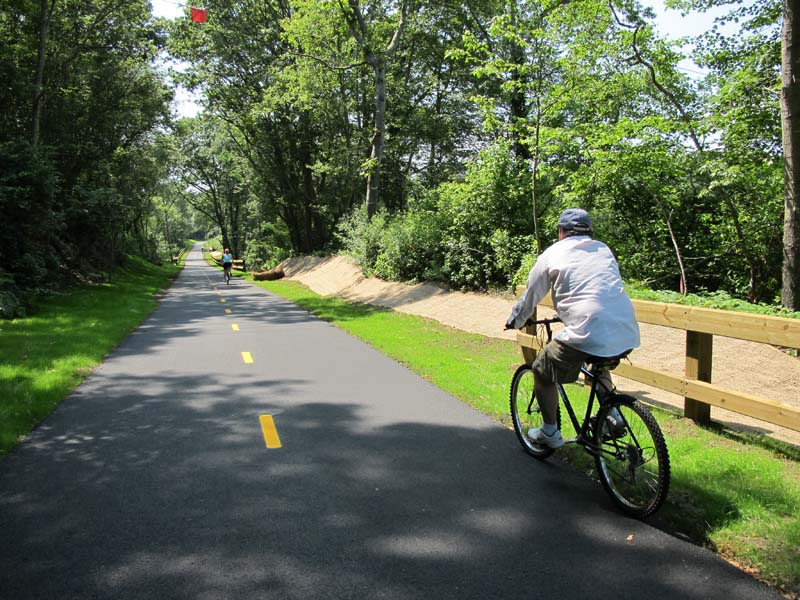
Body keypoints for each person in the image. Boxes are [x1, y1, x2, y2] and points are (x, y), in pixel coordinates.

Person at [505, 208, 640, 449]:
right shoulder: (603, 249)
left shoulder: (552, 253)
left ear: (561, 231)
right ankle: (613, 416)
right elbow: (595, 287)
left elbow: (531, 294)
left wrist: (515, 321)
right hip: (625, 329)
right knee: (598, 365)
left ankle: (549, 432)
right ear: (589, 231)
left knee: (541, 370)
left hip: (587, 329)